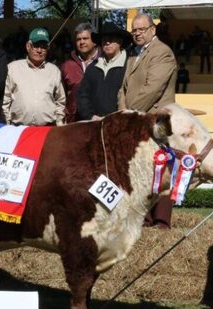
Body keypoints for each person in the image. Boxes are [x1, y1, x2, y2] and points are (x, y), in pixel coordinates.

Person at [118, 13, 177, 229]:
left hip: (156, 122)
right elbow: (122, 89)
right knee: (140, 172)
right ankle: (143, 219)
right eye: (134, 30)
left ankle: (160, 223)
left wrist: (131, 114)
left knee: (159, 172)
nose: (137, 34)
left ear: (153, 29)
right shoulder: (133, 55)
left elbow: (153, 89)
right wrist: (123, 112)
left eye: (141, 30)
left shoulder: (163, 53)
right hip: (136, 122)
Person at [2, 27, 65, 126]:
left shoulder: (54, 71)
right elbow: (5, 99)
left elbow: (60, 101)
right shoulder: (13, 68)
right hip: (19, 129)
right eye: (35, 46)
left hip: (46, 129)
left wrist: (59, 122)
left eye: (43, 46)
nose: (39, 50)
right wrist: (6, 124)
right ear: (28, 46)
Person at [76, 22, 131, 120]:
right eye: (104, 39)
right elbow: (82, 95)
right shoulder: (93, 67)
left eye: (111, 39)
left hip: (120, 124)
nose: (107, 42)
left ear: (120, 41)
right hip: (95, 125)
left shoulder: (129, 66)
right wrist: (91, 116)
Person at [60, 22, 100, 124]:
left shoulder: (104, 62)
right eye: (78, 39)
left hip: (98, 121)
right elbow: (61, 97)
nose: (81, 42)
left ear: (94, 41)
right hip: (73, 123)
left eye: (85, 38)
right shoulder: (67, 66)